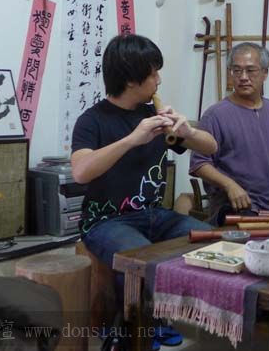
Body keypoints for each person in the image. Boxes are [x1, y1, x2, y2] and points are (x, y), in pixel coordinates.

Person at [71, 34, 217, 346]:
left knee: (211, 240)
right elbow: (81, 171)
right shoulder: (92, 120)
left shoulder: (153, 115)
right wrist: (131, 140)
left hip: (154, 215)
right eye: (153, 74)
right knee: (141, 261)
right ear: (130, 80)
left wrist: (188, 132)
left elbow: (212, 147)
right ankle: (132, 330)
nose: (159, 80)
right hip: (105, 221)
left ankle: (159, 316)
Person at [189, 42, 269, 225]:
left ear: (265, 73)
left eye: (251, 70)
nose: (243, 77)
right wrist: (230, 185)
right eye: (236, 71)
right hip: (238, 208)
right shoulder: (215, 115)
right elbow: (199, 164)